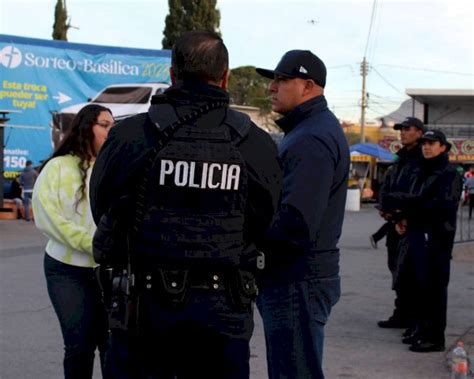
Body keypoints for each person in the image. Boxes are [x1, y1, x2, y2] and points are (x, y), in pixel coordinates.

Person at [90, 31, 281, 379]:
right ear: (225, 77)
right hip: (224, 311)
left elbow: (101, 208)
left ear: (173, 74)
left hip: (144, 310)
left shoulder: (128, 135)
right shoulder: (256, 142)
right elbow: (265, 219)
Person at [255, 50, 349, 379]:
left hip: (297, 278)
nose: (272, 88)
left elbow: (295, 223)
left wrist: (249, 239)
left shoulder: (311, 138)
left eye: (281, 80)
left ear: (308, 86)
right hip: (298, 277)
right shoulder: (308, 130)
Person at [32, 104, 114, 378]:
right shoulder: (57, 168)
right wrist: (94, 243)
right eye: (105, 125)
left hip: (109, 272)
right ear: (86, 126)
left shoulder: (113, 168)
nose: (110, 131)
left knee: (112, 346)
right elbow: (48, 217)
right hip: (66, 270)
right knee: (79, 346)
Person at [385, 130, 462, 352]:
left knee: (435, 288)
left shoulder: (448, 173)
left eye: (432, 143)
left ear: (443, 147)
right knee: (419, 284)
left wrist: (406, 205)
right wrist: (401, 215)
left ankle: (435, 337)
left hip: (437, 237)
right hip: (418, 234)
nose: (427, 147)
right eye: (425, 144)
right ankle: (421, 329)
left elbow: (440, 205)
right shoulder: (421, 169)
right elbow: (412, 198)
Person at [377, 117, 426, 330]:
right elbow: (386, 187)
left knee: (410, 270)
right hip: (393, 222)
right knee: (396, 268)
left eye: (407, 129)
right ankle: (401, 313)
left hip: (411, 223)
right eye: (401, 129)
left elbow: (418, 193)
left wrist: (404, 216)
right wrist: (386, 210)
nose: (403, 133)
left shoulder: (422, 159)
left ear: (419, 133)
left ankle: (413, 315)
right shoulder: (400, 158)